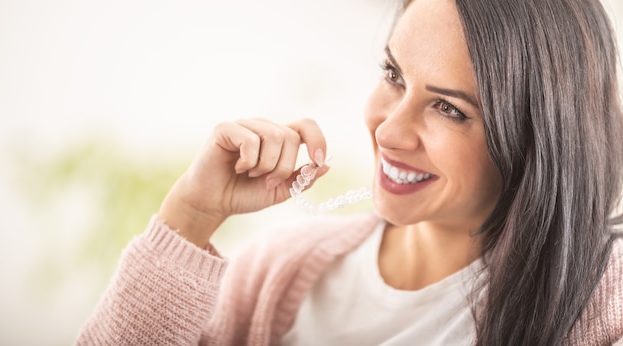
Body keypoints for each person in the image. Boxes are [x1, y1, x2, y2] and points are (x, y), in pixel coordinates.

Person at [75, 0, 623, 344]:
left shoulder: (603, 305)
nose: (387, 132)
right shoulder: (279, 270)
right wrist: (190, 216)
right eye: (393, 74)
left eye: (449, 108)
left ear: (537, 138)